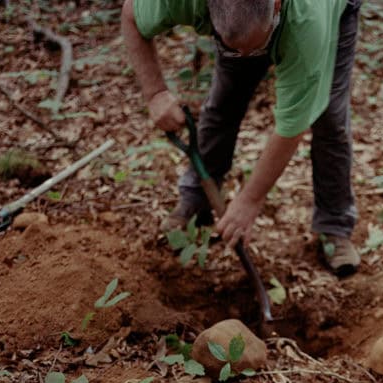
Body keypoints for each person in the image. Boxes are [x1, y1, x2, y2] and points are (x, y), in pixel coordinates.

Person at [121, 0, 362, 276]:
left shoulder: (308, 23)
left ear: (277, 6)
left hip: (327, 11)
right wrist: (155, 93)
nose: (248, 56)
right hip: (247, 23)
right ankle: (196, 202)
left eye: (255, 48)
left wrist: (250, 200)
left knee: (329, 119)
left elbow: (292, 126)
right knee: (224, 102)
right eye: (236, 48)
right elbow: (130, 16)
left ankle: (334, 226)